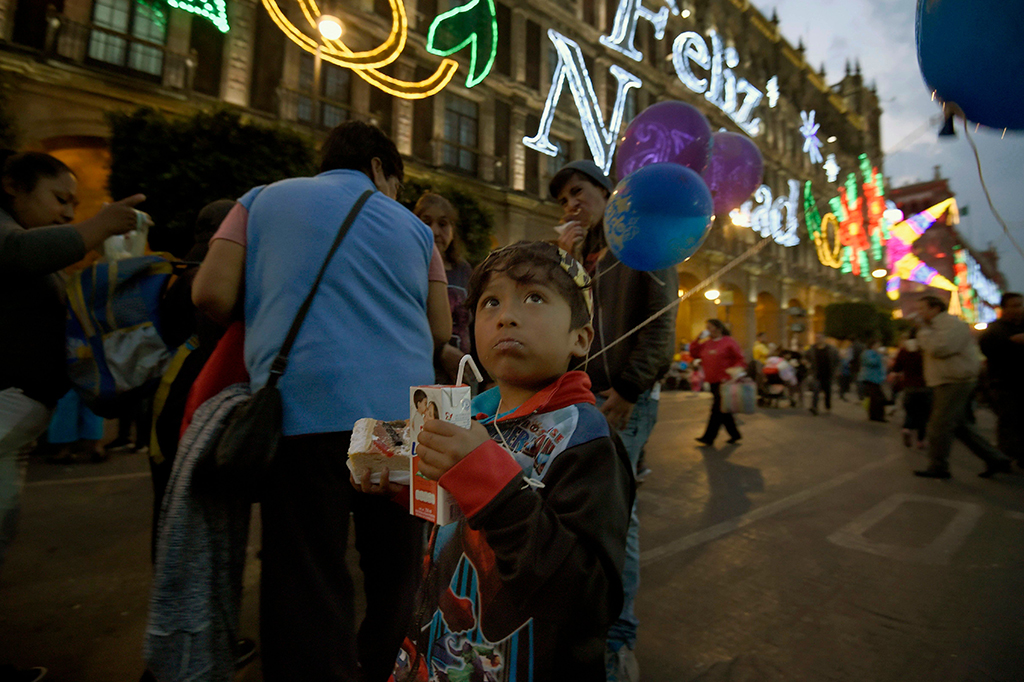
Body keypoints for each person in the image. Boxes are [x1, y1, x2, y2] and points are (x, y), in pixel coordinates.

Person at [191, 120, 451, 681]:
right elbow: (438, 327)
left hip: (300, 414)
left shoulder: (260, 201)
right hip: (400, 421)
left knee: (304, 573)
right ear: (381, 169)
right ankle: (385, 666)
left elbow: (209, 292)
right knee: (396, 570)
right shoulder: (415, 230)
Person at [371, 241, 632, 681]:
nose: (506, 316)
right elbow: (457, 520)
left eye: (534, 297)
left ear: (580, 338)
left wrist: (492, 485)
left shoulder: (586, 440)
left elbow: (591, 598)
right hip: (438, 657)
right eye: (491, 302)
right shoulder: (472, 416)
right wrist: (405, 483)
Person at [0, 150, 144, 682]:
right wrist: (97, 226)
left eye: (74, 204)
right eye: (60, 200)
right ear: (13, 184)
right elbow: (16, 252)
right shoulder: (11, 238)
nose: (68, 213)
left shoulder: (34, 253)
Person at [552, 160, 676, 682]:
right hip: (583, 395)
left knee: (617, 519)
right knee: (584, 511)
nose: (571, 204)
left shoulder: (641, 240)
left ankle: (618, 643)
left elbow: (663, 320)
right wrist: (562, 260)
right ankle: (583, 628)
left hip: (623, 398)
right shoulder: (584, 254)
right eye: (562, 200)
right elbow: (559, 322)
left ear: (607, 191)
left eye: (578, 191)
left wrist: (629, 387)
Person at [912, 296, 1012, 479]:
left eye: (922, 308)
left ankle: (938, 466)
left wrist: (923, 332)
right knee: (959, 425)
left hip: (954, 380)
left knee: (939, 425)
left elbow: (940, 348)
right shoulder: (936, 326)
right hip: (947, 379)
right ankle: (996, 459)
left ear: (935, 309)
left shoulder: (950, 324)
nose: (919, 313)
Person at [413, 192, 474, 384]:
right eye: (426, 222)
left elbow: (474, 323)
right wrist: (440, 351)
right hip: (426, 374)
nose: (434, 231)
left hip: (463, 376)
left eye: (443, 224)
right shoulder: (412, 267)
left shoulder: (463, 269)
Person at [979, 292, 1024, 465]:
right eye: (1014, 305)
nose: (1018, 309)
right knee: (1009, 421)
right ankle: (1003, 458)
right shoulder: (996, 330)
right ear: (1004, 309)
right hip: (1005, 383)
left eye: (1020, 305)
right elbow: (990, 348)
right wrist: (1011, 342)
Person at [690, 319, 747, 445]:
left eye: (710, 327)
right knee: (723, 409)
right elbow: (694, 353)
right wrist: (697, 339)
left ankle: (709, 437)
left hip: (725, 381)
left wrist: (735, 371)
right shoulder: (707, 343)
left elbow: (740, 358)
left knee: (717, 409)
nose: (708, 330)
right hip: (712, 380)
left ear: (718, 328)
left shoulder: (729, 342)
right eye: (707, 327)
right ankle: (735, 434)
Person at [891, 330, 930, 449]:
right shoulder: (925, 350)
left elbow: (896, 367)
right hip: (925, 386)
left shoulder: (904, 350)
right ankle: (920, 441)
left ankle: (906, 429)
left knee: (910, 412)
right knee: (923, 414)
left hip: (909, 386)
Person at [808, 334, 840, 415]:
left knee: (827, 392)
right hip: (817, 374)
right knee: (815, 391)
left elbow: (837, 360)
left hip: (828, 374)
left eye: (820, 338)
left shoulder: (831, 349)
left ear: (824, 339)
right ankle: (814, 407)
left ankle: (827, 406)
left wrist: (837, 370)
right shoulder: (812, 349)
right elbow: (806, 356)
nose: (819, 339)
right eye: (817, 338)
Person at [859, 337, 887, 422]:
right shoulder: (868, 353)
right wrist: (879, 355)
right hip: (871, 378)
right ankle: (876, 416)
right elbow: (871, 363)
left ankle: (877, 415)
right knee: (876, 398)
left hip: (875, 378)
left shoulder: (871, 353)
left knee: (876, 398)